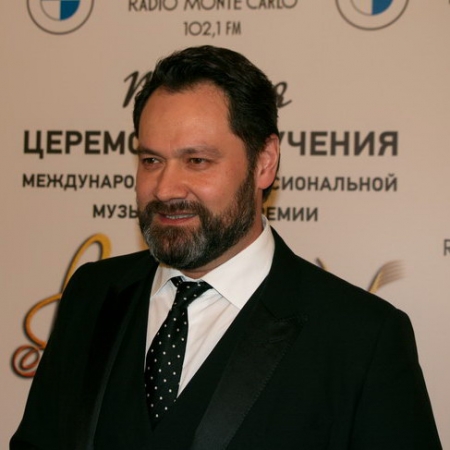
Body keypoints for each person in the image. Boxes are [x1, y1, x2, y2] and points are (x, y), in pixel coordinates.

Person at [11, 45, 441, 450]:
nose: (165, 188)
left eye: (197, 161)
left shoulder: (361, 338)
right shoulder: (92, 293)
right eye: (151, 160)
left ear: (264, 162)